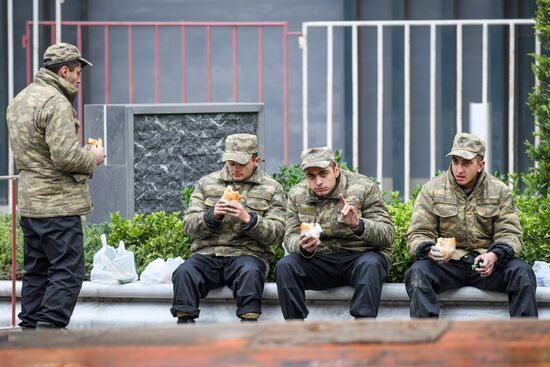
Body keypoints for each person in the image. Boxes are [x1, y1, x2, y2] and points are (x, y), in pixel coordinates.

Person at [6, 43, 105, 329]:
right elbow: (64, 157)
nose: (78, 79)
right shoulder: (56, 102)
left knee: (37, 271)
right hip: (58, 205)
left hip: (31, 203)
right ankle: (48, 334)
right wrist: (93, 157)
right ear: (63, 71)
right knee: (68, 272)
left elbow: (37, 152)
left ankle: (30, 332)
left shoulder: (21, 99)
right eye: (76, 73)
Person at [405, 132, 538, 318]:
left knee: (522, 273)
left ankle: (526, 343)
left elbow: (511, 233)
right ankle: (427, 342)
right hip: (447, 265)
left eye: (466, 163)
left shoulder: (499, 191)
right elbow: (418, 232)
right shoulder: (432, 190)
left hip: (486, 265)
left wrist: (494, 255)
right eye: (455, 161)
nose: (459, 169)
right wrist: (429, 250)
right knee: (418, 272)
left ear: (480, 165)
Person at [171, 133, 286, 323]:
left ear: (256, 160)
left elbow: (277, 234)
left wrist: (248, 219)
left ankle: (248, 328)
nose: (235, 169)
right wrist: (212, 215)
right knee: (185, 273)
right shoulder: (207, 183)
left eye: (241, 164)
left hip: (248, 254)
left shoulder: (272, 188)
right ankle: (185, 329)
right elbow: (189, 226)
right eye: (231, 163)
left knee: (250, 273)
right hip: (208, 254)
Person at [276, 147, 395, 320]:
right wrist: (302, 246)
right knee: (285, 266)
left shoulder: (363, 187)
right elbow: (290, 235)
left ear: (336, 170)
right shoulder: (297, 194)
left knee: (371, 264)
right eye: (311, 176)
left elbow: (388, 234)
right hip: (320, 258)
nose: (318, 182)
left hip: (360, 257)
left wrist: (358, 225)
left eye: (323, 174)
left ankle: (363, 328)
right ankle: (295, 328)